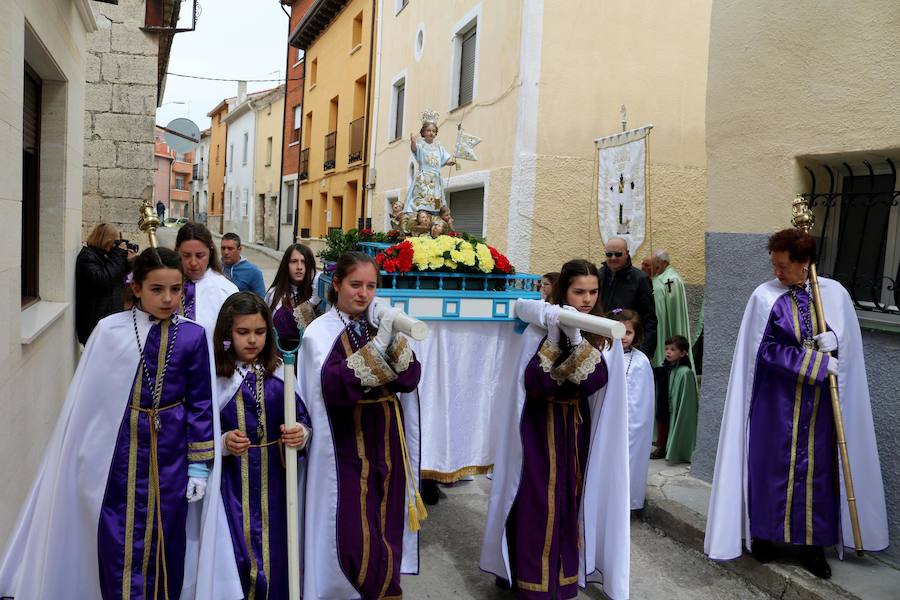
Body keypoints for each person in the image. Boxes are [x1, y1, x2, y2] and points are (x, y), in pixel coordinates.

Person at [0, 247, 228, 599]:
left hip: (171, 457)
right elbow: (90, 405)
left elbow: (200, 402)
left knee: (166, 535)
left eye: (176, 289)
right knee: (114, 534)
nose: (168, 299)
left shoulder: (193, 336)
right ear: (136, 288)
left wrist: (199, 464)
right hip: (117, 454)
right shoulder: (109, 331)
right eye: (157, 289)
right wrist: (84, 456)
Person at [705, 228, 889, 578]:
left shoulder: (834, 294)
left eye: (783, 266)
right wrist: (815, 362)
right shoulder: (764, 297)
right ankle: (765, 536)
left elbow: (848, 346)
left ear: (805, 264)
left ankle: (812, 547)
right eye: (773, 264)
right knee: (770, 468)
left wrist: (837, 340)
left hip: (820, 408)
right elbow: (763, 349)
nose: (776, 272)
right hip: (775, 403)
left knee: (816, 472)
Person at [481, 259, 630, 600]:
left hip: (575, 429)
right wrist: (554, 332)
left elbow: (595, 380)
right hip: (536, 427)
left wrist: (577, 340)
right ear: (564, 290)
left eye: (593, 292)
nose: (587, 299)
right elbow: (538, 383)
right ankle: (526, 576)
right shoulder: (541, 325)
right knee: (534, 499)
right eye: (579, 291)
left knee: (567, 500)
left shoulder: (601, 331)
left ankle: (561, 579)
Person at [299, 252, 425, 599]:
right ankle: (350, 589)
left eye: (371, 286)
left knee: (387, 519)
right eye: (355, 285)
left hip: (386, 436)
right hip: (346, 444)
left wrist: (390, 341)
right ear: (336, 284)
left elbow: (411, 377)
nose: (364, 294)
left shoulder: (381, 323)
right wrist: (379, 351)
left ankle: (385, 589)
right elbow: (335, 388)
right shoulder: (320, 332)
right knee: (355, 525)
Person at [213, 292, 311, 598]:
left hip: (275, 486)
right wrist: (224, 442)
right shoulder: (215, 379)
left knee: (275, 555)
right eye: (243, 333)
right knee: (237, 556)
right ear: (227, 334)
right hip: (230, 488)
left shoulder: (281, 375)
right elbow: (197, 432)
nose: (252, 340)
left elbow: (303, 420)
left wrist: (301, 435)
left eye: (259, 332)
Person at [609, 308, 654, 510]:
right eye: (620, 331)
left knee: (628, 462)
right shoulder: (602, 354)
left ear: (636, 334)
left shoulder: (640, 362)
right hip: (606, 422)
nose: (624, 337)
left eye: (628, 332)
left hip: (630, 425)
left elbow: (642, 402)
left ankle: (626, 503)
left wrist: (633, 426)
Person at [597, 236, 657, 356]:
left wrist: (646, 352)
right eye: (609, 254)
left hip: (628, 346)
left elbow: (649, 319)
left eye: (618, 254)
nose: (613, 258)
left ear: (627, 253)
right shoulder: (599, 275)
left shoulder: (640, 279)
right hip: (601, 343)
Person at [176, 221, 239, 335]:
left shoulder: (226, 290)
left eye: (200, 256)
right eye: (186, 255)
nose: (193, 263)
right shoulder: (166, 286)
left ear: (210, 253)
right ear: (177, 252)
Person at [75, 223, 132, 344]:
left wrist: (128, 262)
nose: (115, 245)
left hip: (109, 319)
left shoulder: (106, 256)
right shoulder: (87, 257)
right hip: (94, 324)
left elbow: (118, 276)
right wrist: (119, 255)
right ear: (105, 240)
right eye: (115, 242)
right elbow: (104, 279)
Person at [265, 243, 322, 350]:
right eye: (294, 262)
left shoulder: (320, 295)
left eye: (304, 262)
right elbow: (285, 327)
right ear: (286, 265)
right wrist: (312, 303)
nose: (299, 267)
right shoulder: (275, 294)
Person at [651, 335, 698, 462]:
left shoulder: (685, 372)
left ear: (683, 353)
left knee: (672, 424)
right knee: (662, 423)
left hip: (674, 407)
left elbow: (686, 400)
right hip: (664, 406)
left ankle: (674, 448)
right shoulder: (664, 369)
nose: (668, 352)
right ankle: (661, 446)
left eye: (672, 349)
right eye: (666, 348)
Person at [404, 109, 455, 214]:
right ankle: (421, 215)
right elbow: (414, 149)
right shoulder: (421, 145)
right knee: (423, 198)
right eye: (428, 130)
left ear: (436, 133)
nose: (431, 133)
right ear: (423, 132)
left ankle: (436, 214)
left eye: (433, 131)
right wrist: (413, 142)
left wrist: (449, 162)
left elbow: (444, 159)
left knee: (437, 199)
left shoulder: (439, 147)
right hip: (424, 179)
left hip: (436, 179)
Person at [649, 249, 692, 368]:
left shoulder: (672, 279)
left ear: (664, 263)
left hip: (666, 325)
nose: (654, 269)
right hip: (658, 323)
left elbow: (674, 309)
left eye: (656, 266)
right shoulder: (660, 276)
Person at [221, 232, 267, 298]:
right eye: (223, 248)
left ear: (239, 249)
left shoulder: (253, 272)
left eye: (230, 248)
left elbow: (261, 302)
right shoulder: (215, 268)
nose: (226, 252)